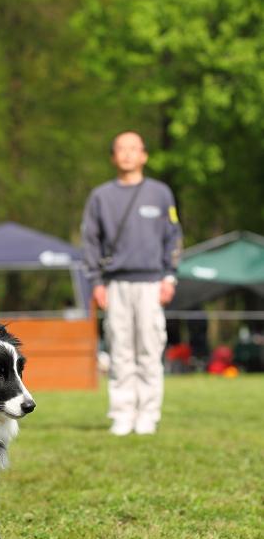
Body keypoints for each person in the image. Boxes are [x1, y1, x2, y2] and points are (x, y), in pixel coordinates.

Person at [82, 131, 182, 435]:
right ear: (113, 157)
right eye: (121, 149)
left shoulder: (160, 193)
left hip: (152, 282)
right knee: (120, 349)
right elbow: (90, 240)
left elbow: (173, 236)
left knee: (150, 348)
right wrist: (96, 282)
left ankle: (148, 413)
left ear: (144, 155)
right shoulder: (100, 196)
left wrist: (170, 276)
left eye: (133, 149)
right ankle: (122, 414)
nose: (127, 154)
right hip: (115, 284)